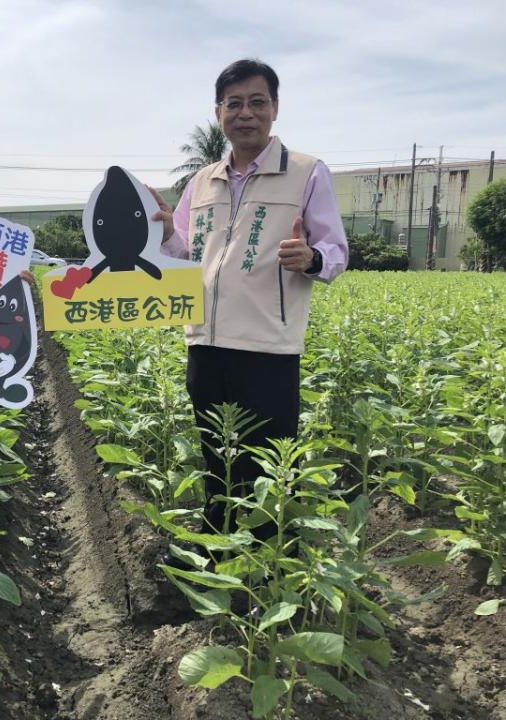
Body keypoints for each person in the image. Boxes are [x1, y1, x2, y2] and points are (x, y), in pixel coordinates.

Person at [149, 59, 349, 546]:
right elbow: (182, 251)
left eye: (257, 102)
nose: (246, 113)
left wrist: (311, 257)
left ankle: (270, 558)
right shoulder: (201, 182)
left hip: (268, 347)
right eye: (233, 103)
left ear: (274, 109)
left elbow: (337, 252)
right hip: (205, 341)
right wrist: (158, 229)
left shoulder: (306, 173)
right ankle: (218, 551)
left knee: (267, 464)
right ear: (218, 112)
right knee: (216, 455)